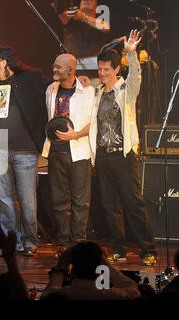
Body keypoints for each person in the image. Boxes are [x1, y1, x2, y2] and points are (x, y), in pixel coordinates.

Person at [89, 30, 157, 266]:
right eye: (100, 69)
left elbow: (136, 76)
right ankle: (119, 248)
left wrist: (131, 52)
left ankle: (148, 249)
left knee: (133, 204)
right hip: (104, 157)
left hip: (124, 156)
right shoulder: (97, 93)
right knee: (110, 206)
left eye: (107, 69)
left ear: (117, 69)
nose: (102, 73)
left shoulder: (125, 91)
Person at [0, 46, 47, 257]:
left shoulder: (29, 78)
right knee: (6, 200)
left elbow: (50, 90)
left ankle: (30, 240)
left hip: (24, 151)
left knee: (27, 199)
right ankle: (11, 241)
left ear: (4, 62)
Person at [41, 53, 94, 253]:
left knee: (81, 202)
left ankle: (78, 243)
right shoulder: (50, 89)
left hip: (79, 151)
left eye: (58, 67)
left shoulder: (87, 91)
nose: (54, 70)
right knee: (59, 201)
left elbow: (94, 122)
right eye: (54, 66)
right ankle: (64, 243)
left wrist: (76, 134)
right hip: (56, 152)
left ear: (71, 70)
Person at [40, 241, 141, 300]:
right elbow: (133, 291)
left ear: (73, 270)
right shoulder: (112, 295)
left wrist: (61, 266)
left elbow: (46, 295)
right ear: (99, 270)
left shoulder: (60, 294)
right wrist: (105, 264)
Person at [57, 0, 111, 87]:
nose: (86, 0)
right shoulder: (71, 20)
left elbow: (106, 27)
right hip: (70, 75)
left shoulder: (98, 23)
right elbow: (60, 13)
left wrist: (84, 17)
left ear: (96, 7)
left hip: (93, 76)